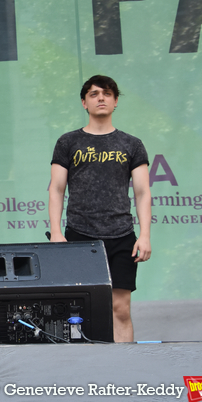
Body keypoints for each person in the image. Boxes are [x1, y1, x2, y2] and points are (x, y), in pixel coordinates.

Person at [48, 75, 151, 342]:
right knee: (76, 310)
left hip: (121, 236)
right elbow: (56, 189)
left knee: (120, 309)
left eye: (106, 93)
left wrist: (145, 235)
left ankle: (125, 371)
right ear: (84, 102)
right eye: (94, 94)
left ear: (116, 101)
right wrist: (57, 233)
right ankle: (82, 372)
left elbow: (142, 192)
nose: (101, 98)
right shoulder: (68, 142)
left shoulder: (132, 144)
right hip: (80, 237)